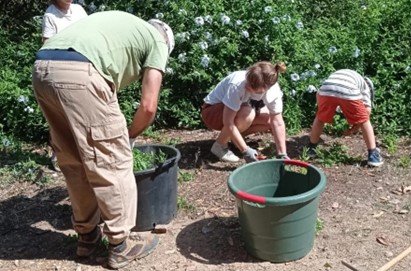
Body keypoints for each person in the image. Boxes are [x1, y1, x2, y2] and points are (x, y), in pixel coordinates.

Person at [32, 11, 174, 269]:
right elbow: (149, 106)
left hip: (43, 68)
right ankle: (121, 245)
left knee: (73, 160)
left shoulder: (122, 27)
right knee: (113, 161)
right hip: (80, 72)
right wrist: (128, 136)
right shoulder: (158, 41)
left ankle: (87, 237)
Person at [201, 61, 288, 163]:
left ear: (266, 89)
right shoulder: (237, 85)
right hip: (211, 113)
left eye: (253, 89)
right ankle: (220, 146)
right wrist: (245, 150)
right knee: (247, 113)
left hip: (236, 113)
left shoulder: (274, 91)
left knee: (269, 119)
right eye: (248, 83)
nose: (247, 87)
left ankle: (235, 140)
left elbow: (277, 122)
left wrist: (282, 154)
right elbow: (228, 122)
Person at [41, 0, 88, 171]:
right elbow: (47, 46)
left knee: (82, 114)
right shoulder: (50, 15)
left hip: (84, 64)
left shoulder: (79, 10)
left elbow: (89, 34)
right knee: (61, 116)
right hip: (61, 66)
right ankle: (58, 155)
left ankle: (82, 153)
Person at [307, 69, 383, 167]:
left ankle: (311, 148)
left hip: (326, 88)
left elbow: (319, 94)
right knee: (365, 120)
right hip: (349, 89)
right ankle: (373, 155)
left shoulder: (348, 75)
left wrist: (322, 111)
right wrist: (354, 128)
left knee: (320, 118)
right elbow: (366, 112)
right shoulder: (365, 87)